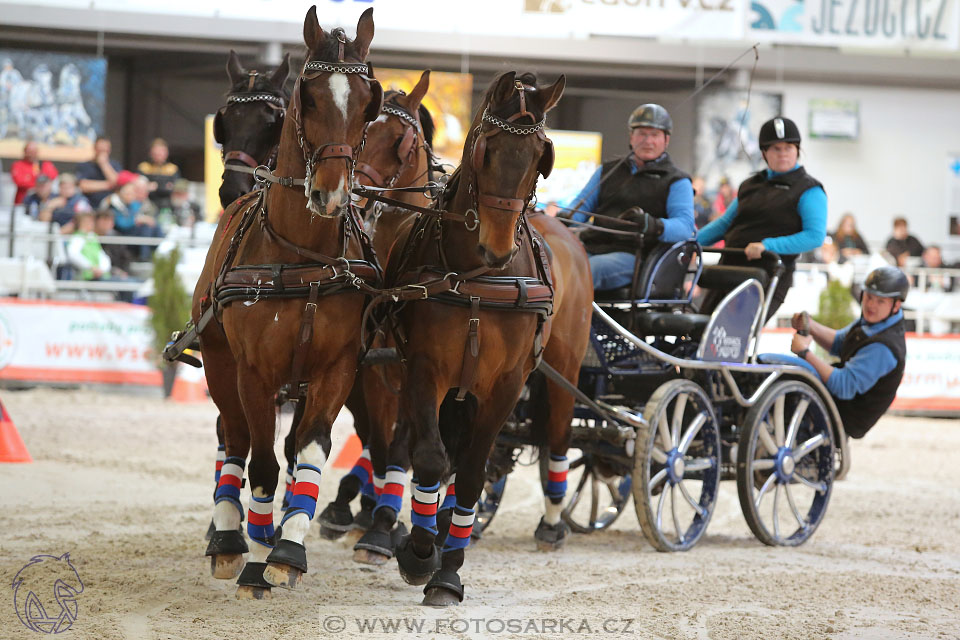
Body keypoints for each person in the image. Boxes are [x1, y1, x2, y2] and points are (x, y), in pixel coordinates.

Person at [697, 117, 827, 320]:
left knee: (733, 334)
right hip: (728, 268)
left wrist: (767, 246)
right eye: (776, 149)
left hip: (767, 275)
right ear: (765, 153)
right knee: (700, 330)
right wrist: (688, 242)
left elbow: (814, 236)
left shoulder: (809, 190)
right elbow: (725, 224)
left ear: (797, 150)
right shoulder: (750, 185)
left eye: (788, 148)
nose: (783, 154)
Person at [569, 103, 695, 290]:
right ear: (631, 136)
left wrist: (655, 225)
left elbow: (685, 227)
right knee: (550, 263)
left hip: (636, 256)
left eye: (654, 135)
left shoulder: (677, 181)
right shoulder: (608, 171)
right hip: (592, 247)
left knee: (588, 269)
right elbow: (580, 208)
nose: (648, 141)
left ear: (666, 140)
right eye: (642, 134)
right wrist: (564, 220)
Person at [782, 266, 908, 439]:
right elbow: (840, 342)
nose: (871, 305)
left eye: (880, 301)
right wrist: (810, 325)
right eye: (869, 297)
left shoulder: (884, 347)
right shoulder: (876, 322)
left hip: (847, 413)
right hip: (838, 400)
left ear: (896, 305)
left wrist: (805, 354)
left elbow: (843, 386)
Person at [103, 171, 164, 259]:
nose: (130, 196)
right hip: (120, 233)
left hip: (134, 232)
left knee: (153, 226)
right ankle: (144, 257)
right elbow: (121, 223)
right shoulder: (113, 204)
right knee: (145, 228)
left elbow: (140, 215)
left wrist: (145, 220)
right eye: (128, 193)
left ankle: (157, 252)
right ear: (120, 192)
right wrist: (136, 220)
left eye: (132, 193)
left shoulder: (135, 204)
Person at [76, 136, 123, 209]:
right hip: (90, 204)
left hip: (110, 205)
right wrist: (109, 185)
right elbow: (83, 186)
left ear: (109, 150)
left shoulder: (115, 165)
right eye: (100, 150)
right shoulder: (85, 165)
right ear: (95, 149)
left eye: (105, 150)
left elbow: (117, 182)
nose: (103, 153)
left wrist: (104, 164)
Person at [66, 211, 111, 281]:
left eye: (91, 222)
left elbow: (102, 256)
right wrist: (91, 268)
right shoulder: (77, 238)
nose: (91, 224)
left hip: (100, 275)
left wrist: (102, 270)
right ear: (80, 223)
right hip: (87, 276)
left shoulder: (92, 237)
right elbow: (73, 255)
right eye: (87, 222)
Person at [137, 138, 180, 211]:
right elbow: (139, 187)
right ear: (151, 153)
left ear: (166, 153)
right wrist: (164, 186)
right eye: (156, 152)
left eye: (161, 152)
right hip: (147, 203)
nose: (159, 155)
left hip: (168, 204)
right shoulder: (144, 167)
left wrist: (155, 186)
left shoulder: (172, 169)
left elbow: (175, 188)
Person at [10, 140, 58, 205]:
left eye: (34, 151)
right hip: (23, 201)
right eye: (29, 151)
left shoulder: (45, 164)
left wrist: (31, 180)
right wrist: (39, 184)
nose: (31, 154)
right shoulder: (18, 165)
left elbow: (52, 176)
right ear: (24, 152)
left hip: (44, 201)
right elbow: (19, 181)